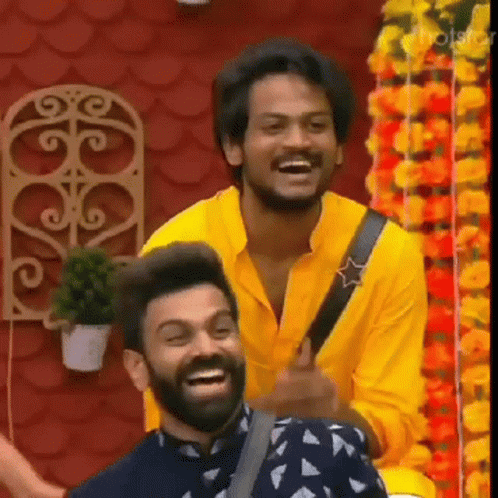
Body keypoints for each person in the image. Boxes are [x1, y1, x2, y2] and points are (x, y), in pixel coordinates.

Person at [141, 37, 434, 497]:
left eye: (316, 126)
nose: (298, 142)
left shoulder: (385, 252)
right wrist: (272, 416)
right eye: (274, 127)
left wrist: (332, 413)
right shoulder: (175, 251)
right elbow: (171, 430)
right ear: (234, 147)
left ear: (339, 146)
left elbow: (393, 428)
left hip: (344, 473)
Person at [67, 242, 386, 497]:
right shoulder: (108, 493)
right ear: (138, 368)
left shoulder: (330, 455)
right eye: (177, 337)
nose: (207, 349)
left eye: (220, 330)